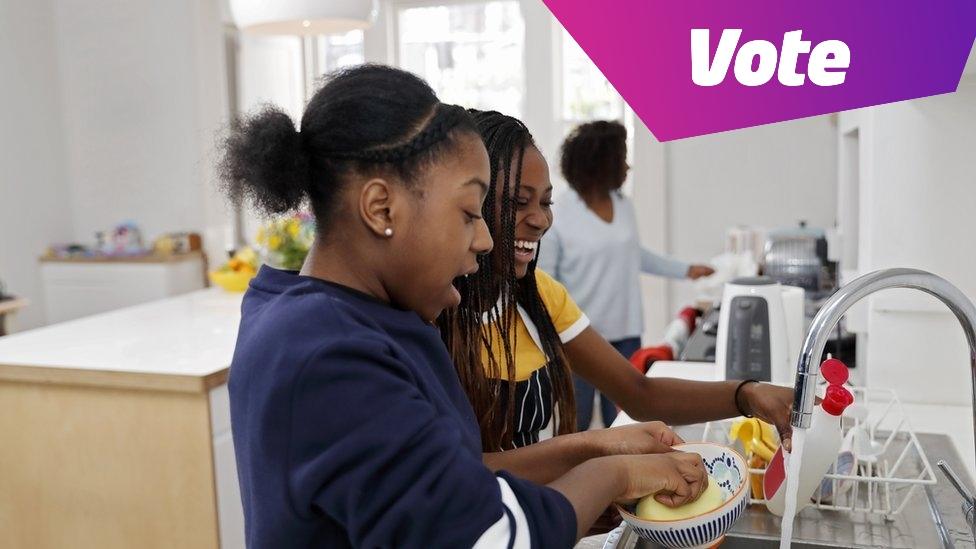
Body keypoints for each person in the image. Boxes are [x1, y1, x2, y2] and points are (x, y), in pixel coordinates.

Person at [220, 65, 707, 548]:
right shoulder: (326, 354)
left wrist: (596, 452)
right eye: (470, 213)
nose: (485, 238)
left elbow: (455, 481)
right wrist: (616, 474)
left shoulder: (353, 323)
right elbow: (492, 538)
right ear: (381, 208)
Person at [439, 110, 794, 485]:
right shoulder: (431, 316)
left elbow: (640, 393)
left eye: (545, 203)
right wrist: (603, 454)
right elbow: (460, 471)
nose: (540, 220)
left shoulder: (540, 296)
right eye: (517, 203)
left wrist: (748, 395)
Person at [540, 120, 715, 430]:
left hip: (626, 333)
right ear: (601, 162)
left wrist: (686, 270)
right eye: (621, 158)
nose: (627, 166)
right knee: (577, 422)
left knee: (626, 420)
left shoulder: (623, 206)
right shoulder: (561, 213)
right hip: (578, 337)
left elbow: (635, 255)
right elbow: (545, 283)